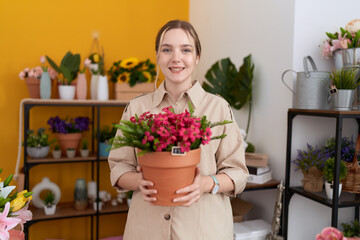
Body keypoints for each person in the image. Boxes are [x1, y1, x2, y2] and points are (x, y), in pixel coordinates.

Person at [108, 19, 249, 240]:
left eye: (186, 50)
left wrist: (206, 183)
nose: (176, 58)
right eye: (167, 49)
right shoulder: (138, 108)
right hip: (147, 230)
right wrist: (139, 182)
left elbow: (238, 174)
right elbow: (118, 166)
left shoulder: (218, 108)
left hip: (204, 231)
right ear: (157, 55)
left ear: (197, 57)